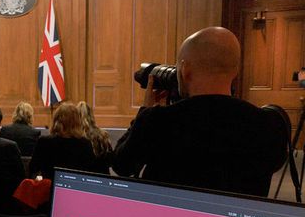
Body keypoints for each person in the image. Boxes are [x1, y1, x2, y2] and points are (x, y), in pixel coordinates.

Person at [113, 26, 288, 197]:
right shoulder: (269, 124)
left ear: (185, 70)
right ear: (235, 70)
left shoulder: (159, 121)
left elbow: (121, 165)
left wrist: (145, 110)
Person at [29, 102, 97, 178]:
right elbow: (92, 172)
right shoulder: (85, 144)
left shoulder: (44, 142)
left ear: (55, 120)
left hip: (50, 187)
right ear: (77, 122)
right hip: (76, 188)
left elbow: (32, 169)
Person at [78, 101, 112, 174]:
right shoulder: (103, 135)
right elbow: (110, 161)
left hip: (81, 177)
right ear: (91, 115)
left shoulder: (74, 137)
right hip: (102, 176)